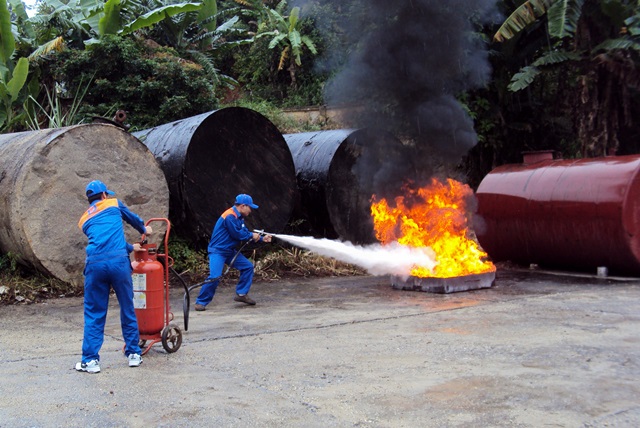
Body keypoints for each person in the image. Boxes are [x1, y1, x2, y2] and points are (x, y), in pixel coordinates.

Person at [75, 180, 153, 374]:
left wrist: (129, 247)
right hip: (118, 264)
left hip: (95, 265)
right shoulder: (114, 203)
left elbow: (103, 240)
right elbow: (132, 219)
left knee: (94, 312)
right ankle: (134, 354)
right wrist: (144, 229)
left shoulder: (84, 219)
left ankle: (90, 361)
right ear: (103, 195)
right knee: (127, 306)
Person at [194, 194, 272, 311]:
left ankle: (241, 294)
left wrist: (261, 238)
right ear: (243, 206)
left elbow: (243, 232)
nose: (251, 210)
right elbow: (238, 234)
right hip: (218, 251)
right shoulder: (230, 216)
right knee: (215, 276)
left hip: (229, 251)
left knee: (247, 267)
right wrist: (252, 235)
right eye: (250, 207)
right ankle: (200, 302)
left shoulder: (238, 217)